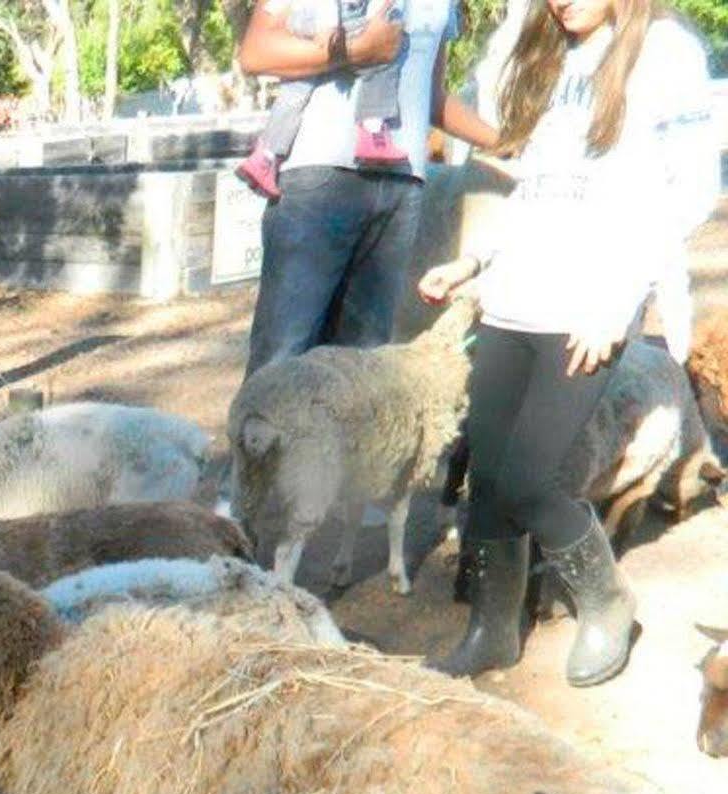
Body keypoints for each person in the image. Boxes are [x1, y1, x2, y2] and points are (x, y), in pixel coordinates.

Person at [419, 0, 717, 685]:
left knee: (531, 478)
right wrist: (475, 262)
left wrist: (616, 304)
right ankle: (490, 629)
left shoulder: (665, 54)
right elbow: (539, 190)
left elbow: (683, 196)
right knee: (489, 478)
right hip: (514, 298)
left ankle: (606, 600)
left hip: (588, 306)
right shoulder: (547, 53)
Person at [238, 0, 498, 373]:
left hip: (401, 187)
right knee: (281, 361)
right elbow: (256, 52)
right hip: (319, 179)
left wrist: (508, 142)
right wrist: (357, 49)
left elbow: (431, 96)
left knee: (361, 368)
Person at [237, 0, 412, 200]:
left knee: (296, 89)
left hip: (306, 17)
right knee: (389, 45)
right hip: (325, 18)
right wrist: (332, 29)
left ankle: (265, 156)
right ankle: (373, 132)